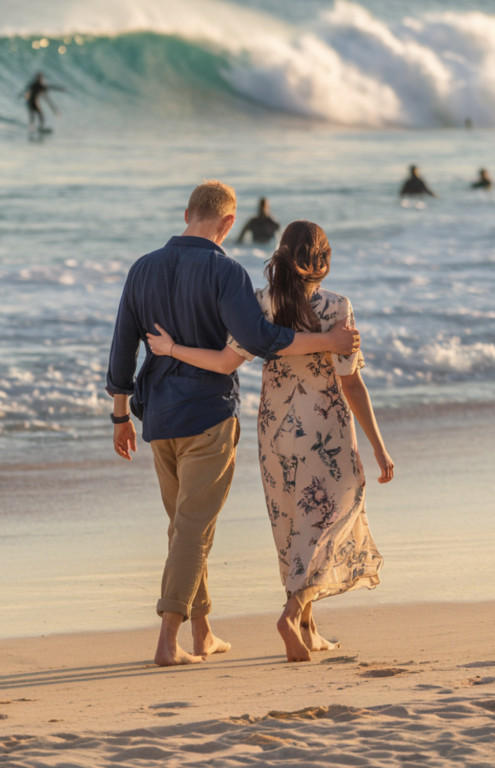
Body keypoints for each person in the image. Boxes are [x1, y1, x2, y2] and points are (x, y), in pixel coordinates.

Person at [107, 182, 360, 668]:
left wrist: (120, 414)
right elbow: (259, 338)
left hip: (156, 414)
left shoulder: (142, 268)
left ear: (187, 213)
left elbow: (122, 347)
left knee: (185, 525)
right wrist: (327, 339)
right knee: (192, 529)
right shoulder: (225, 271)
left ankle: (202, 634)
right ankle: (167, 641)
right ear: (227, 223)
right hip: (208, 416)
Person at [148, 220, 394, 663]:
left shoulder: (260, 304)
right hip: (325, 430)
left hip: (275, 429)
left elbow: (224, 363)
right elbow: (351, 383)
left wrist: (171, 350)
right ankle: (292, 611)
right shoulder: (337, 306)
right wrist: (377, 444)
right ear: (323, 259)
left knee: (293, 523)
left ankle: (309, 629)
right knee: (336, 515)